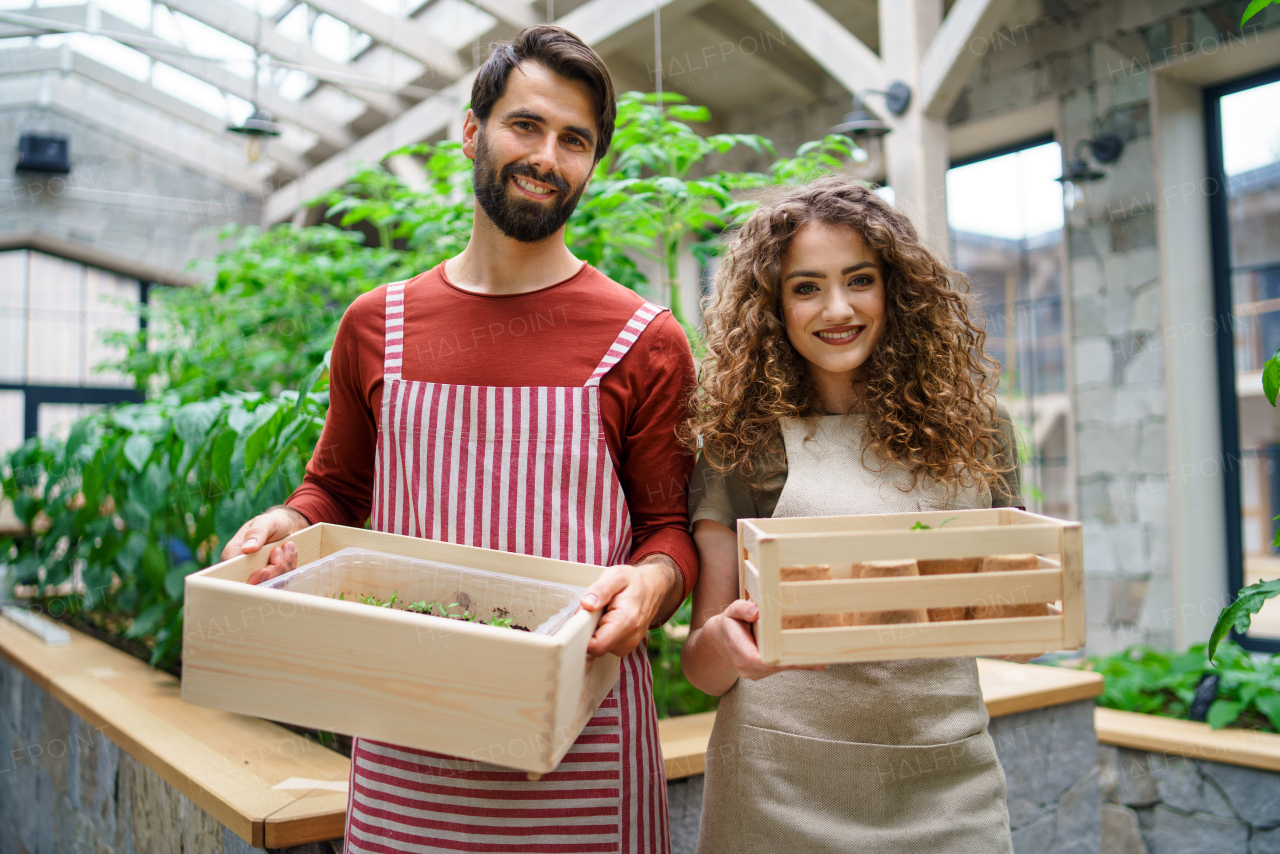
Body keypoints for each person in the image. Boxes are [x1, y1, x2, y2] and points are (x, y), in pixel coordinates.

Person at [221, 26, 696, 854]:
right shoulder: (377, 325)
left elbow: (669, 532)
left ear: (592, 164)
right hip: (408, 747)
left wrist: (654, 586)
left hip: (582, 753)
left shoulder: (643, 337)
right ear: (472, 132)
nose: (547, 156)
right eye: (526, 125)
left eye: (574, 140)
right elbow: (335, 490)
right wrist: (287, 524)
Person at [680, 176, 1024, 852]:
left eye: (859, 279)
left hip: (946, 778)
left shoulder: (979, 429)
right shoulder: (741, 443)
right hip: (781, 786)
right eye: (806, 286)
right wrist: (730, 643)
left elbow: (1012, 620)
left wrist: (1029, 611)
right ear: (773, 305)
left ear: (895, 289)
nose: (837, 308)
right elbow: (702, 666)